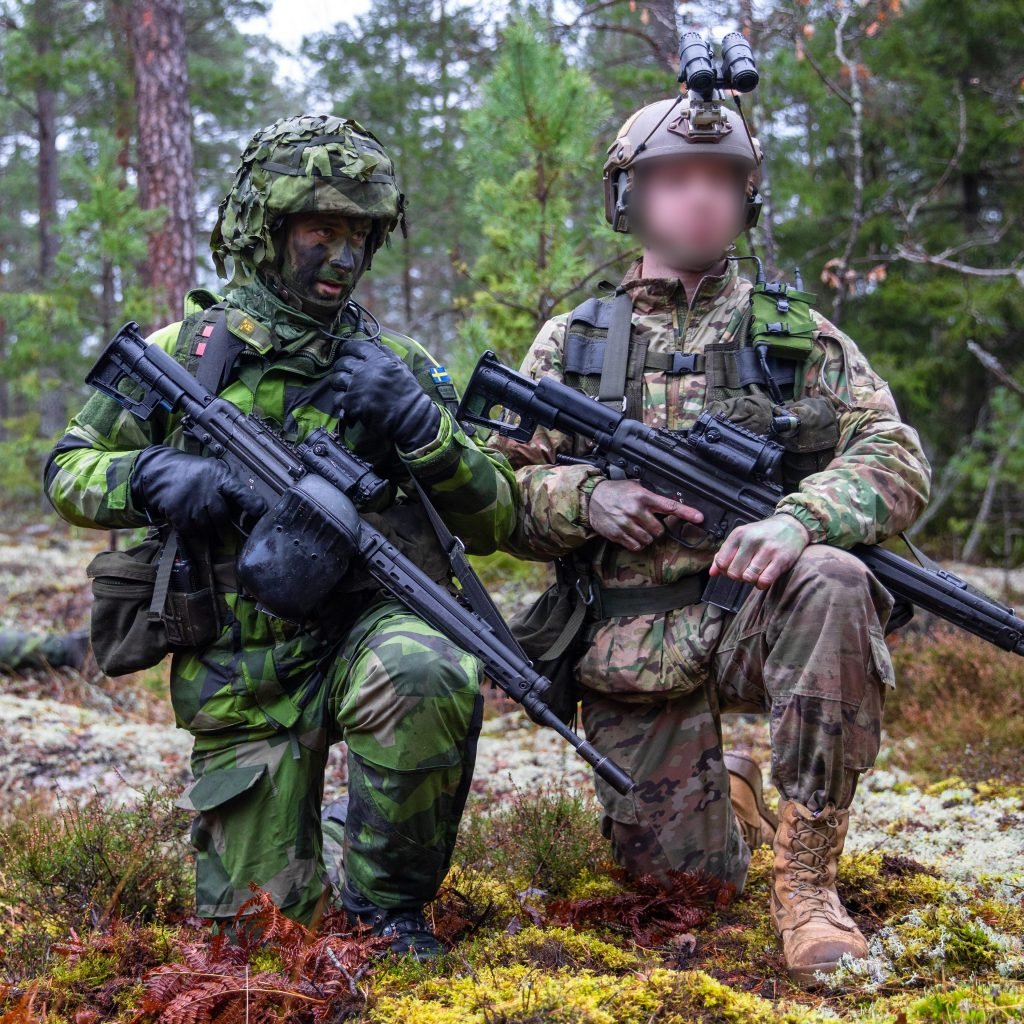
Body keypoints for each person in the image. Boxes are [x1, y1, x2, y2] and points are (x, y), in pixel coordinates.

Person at [44, 115, 517, 958]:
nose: (343, 257)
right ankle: (328, 841)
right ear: (267, 230)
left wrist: (419, 425)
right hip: (238, 666)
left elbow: (493, 518)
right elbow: (69, 468)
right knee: (260, 946)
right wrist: (148, 479)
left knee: (429, 664)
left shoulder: (397, 365)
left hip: (362, 631)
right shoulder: (185, 352)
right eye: (321, 231)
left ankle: (388, 911)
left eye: (361, 236)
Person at [492, 95, 931, 986]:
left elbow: (896, 455)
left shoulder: (796, 334)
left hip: (756, 628)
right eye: (676, 180)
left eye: (723, 182)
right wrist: (588, 497)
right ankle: (730, 783)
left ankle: (807, 885)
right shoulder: (571, 342)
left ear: (748, 201)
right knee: (683, 890)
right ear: (630, 198)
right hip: (631, 643)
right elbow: (498, 494)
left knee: (837, 578)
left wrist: (800, 519)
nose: (701, 200)